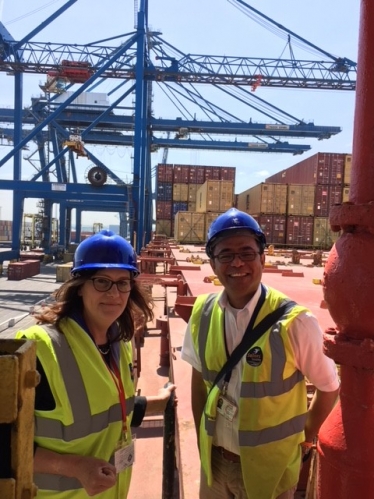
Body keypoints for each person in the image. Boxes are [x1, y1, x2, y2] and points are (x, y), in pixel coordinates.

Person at [181, 208, 339, 499]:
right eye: (225, 254)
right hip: (215, 465)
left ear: (263, 258)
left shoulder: (296, 323)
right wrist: (203, 442)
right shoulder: (202, 313)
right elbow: (198, 384)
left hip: (271, 470)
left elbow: (329, 387)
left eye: (247, 252)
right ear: (213, 263)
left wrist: (305, 436)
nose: (237, 262)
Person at [15, 230, 176, 498]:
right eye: (102, 282)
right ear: (79, 287)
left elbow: (109, 411)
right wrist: (74, 466)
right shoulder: (40, 348)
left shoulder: (119, 343)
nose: (114, 293)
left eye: (123, 283)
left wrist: (157, 403)